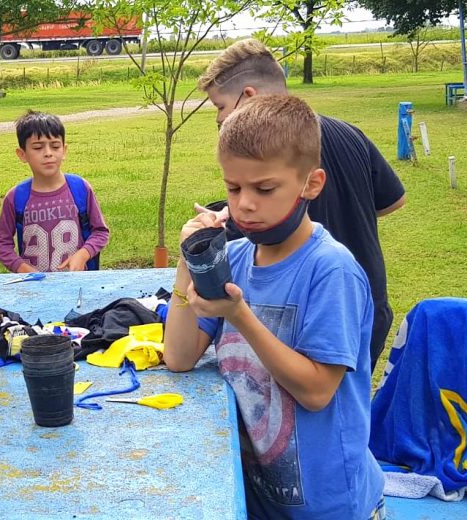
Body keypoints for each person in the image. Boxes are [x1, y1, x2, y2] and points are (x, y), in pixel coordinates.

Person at [164, 95, 383, 519]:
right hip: (261, 499)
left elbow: (318, 391)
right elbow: (178, 356)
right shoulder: (238, 258)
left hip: (329, 506)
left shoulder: (331, 271)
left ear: (311, 184)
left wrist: (239, 316)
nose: (244, 203)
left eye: (264, 188)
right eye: (233, 187)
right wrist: (185, 265)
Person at [197, 38, 406, 371]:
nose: (220, 120)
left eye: (220, 107)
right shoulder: (349, 132)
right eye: (235, 188)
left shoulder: (281, 161)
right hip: (367, 306)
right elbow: (393, 200)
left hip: (307, 313)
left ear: (249, 97)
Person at [0, 110, 110, 273]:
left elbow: (100, 232)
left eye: (55, 146)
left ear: (64, 150)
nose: (48, 153)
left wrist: (83, 254)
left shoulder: (80, 188)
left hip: (78, 284)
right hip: (36, 290)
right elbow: (1, 245)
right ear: (22, 154)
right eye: (38, 147)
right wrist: (24, 269)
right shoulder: (16, 197)